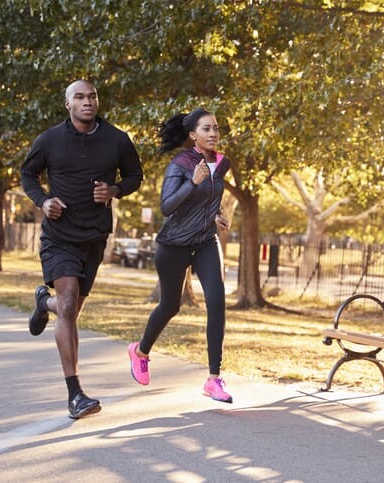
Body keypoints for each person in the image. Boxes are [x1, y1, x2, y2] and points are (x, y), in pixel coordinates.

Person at [21, 79, 143, 419]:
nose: (87, 102)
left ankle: (44, 303)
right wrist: (43, 201)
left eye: (92, 96)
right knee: (69, 301)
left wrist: (116, 190)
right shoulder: (50, 140)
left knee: (68, 310)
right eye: (80, 97)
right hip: (59, 236)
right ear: (68, 104)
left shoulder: (117, 139)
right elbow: (28, 174)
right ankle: (75, 394)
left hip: (94, 238)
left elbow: (135, 176)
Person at [127, 108, 233, 403]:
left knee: (217, 301)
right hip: (173, 245)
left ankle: (214, 379)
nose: (213, 133)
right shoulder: (181, 164)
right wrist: (192, 183)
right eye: (206, 129)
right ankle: (140, 351)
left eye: (216, 128)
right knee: (170, 306)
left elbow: (210, 199)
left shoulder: (222, 164)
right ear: (192, 135)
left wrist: (217, 215)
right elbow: (167, 206)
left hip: (205, 242)